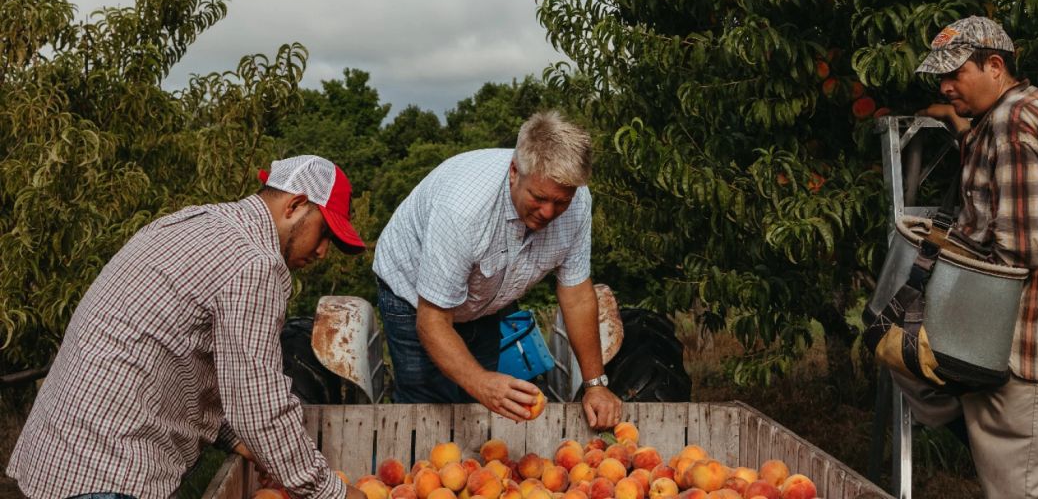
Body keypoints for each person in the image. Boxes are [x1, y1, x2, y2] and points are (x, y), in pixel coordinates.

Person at [7, 155, 369, 499]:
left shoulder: (192, 222)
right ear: (295, 206)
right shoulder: (255, 263)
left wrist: (238, 440)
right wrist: (328, 491)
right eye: (325, 233)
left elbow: (176, 352)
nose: (323, 251)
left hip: (58, 455)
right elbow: (258, 403)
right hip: (111, 471)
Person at [896, 16, 1038, 498]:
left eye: (955, 74)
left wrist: (943, 262)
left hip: (1016, 341)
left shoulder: (1014, 125)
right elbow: (1001, 182)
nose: (945, 87)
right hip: (999, 338)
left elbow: (1023, 245)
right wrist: (962, 127)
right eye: (940, 78)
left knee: (1022, 490)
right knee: (906, 362)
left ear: (994, 66)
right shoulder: (1010, 116)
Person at [373, 110, 622, 428]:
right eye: (539, 198)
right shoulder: (463, 211)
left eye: (561, 202)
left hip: (485, 299)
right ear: (515, 172)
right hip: (412, 296)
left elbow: (576, 294)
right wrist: (481, 382)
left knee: (478, 406)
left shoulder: (576, 200)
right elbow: (433, 322)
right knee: (428, 407)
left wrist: (595, 385)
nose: (549, 212)